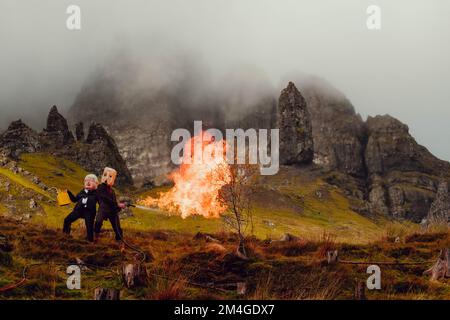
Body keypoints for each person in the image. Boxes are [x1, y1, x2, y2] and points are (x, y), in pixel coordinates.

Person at [63, 174, 99, 242]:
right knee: (67, 220)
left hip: (89, 212)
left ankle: (90, 241)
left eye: (91, 180)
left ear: (96, 183)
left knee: (89, 226)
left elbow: (101, 201)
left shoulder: (96, 193)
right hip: (78, 210)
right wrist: (68, 193)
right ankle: (65, 236)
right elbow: (74, 200)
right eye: (86, 181)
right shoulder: (82, 191)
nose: (88, 182)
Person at [94, 167, 126, 242]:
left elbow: (113, 202)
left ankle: (120, 241)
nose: (107, 178)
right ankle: (95, 238)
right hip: (103, 209)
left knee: (117, 228)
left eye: (110, 176)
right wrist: (117, 204)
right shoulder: (100, 187)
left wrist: (118, 207)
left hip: (112, 211)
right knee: (98, 222)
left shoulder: (112, 191)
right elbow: (104, 198)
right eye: (105, 175)